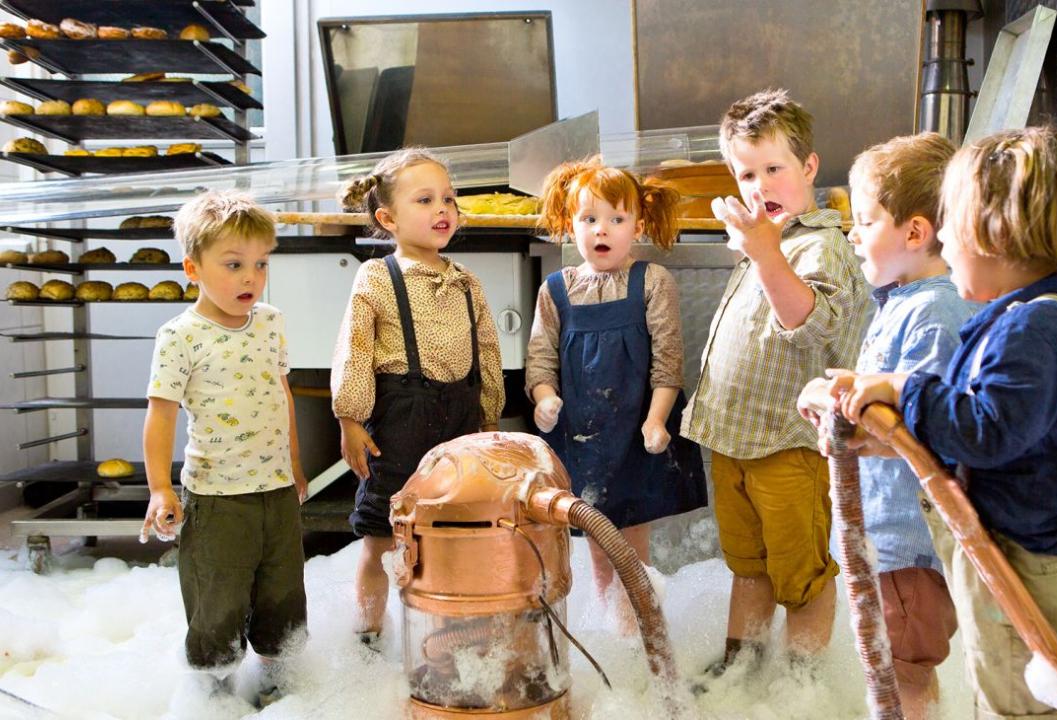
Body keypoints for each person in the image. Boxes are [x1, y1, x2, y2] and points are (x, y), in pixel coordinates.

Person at [835, 126, 1057, 719]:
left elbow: (983, 431)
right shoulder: (1018, 317)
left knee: (1016, 708)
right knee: (1008, 699)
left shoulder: (1032, 331)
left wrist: (906, 386)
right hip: (1030, 554)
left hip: (1034, 569)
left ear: (996, 236)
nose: (945, 244)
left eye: (951, 228)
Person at [681, 88, 867, 677]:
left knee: (803, 576)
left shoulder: (820, 245)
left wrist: (765, 256)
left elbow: (806, 324)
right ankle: (742, 666)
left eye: (774, 169)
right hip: (737, 442)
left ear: (809, 168)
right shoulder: (765, 243)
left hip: (790, 447)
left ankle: (801, 686)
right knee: (748, 565)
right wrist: (761, 251)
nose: (759, 186)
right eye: (746, 173)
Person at [800, 132, 976, 719]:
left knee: (904, 674)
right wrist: (841, 397)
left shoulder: (935, 312)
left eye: (865, 220)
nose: (852, 233)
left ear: (915, 232)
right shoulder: (904, 300)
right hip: (888, 540)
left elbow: (925, 430)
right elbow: (891, 401)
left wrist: (842, 421)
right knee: (899, 671)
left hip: (910, 547)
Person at [331, 147, 504, 646]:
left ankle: (451, 632)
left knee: (454, 532)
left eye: (449, 198)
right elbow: (354, 349)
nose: (443, 209)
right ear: (387, 218)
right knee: (382, 535)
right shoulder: (377, 278)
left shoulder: (468, 283)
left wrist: (490, 415)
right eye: (425, 200)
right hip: (400, 421)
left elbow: (487, 349)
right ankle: (367, 635)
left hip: (462, 421)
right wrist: (350, 418)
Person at [142, 190, 308, 705]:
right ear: (193, 268)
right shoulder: (180, 336)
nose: (250, 278)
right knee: (218, 600)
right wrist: (159, 489)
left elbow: (282, 396)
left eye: (260, 264)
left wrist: (296, 466)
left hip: (276, 492)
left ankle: (284, 693)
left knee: (282, 596)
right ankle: (212, 699)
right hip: (216, 497)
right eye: (233, 264)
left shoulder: (271, 322)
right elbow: (161, 414)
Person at [526, 157, 707, 621]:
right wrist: (544, 397)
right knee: (594, 537)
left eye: (616, 219)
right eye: (589, 219)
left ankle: (638, 631)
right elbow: (540, 358)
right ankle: (613, 628)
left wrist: (656, 418)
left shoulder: (652, 282)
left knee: (630, 543)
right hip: (581, 434)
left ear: (638, 226)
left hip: (635, 433)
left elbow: (669, 363)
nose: (601, 230)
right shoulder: (556, 289)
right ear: (571, 225)